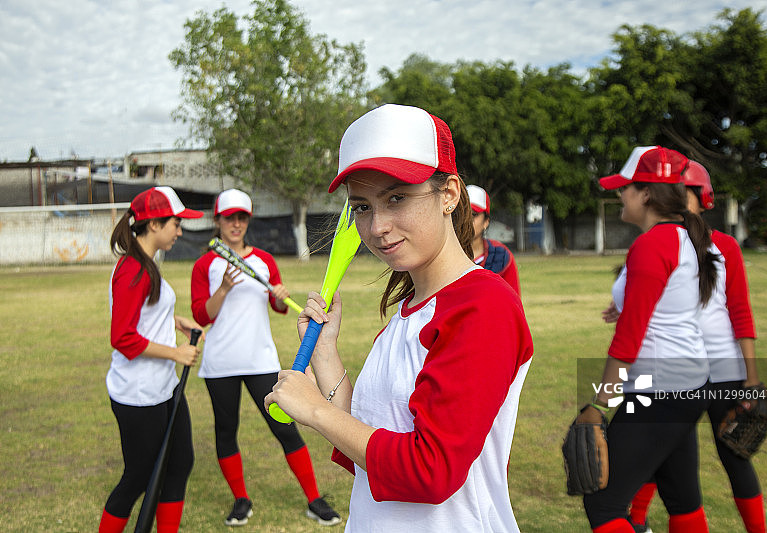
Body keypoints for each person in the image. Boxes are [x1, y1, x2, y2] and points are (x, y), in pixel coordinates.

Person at [264, 103, 534, 532]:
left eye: (396, 198)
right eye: (364, 207)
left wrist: (316, 410)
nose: (377, 227)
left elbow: (429, 471)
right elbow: (372, 449)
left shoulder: (483, 305)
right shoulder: (408, 311)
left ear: (448, 194)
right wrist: (326, 355)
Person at [579, 146, 719, 533]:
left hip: (663, 391)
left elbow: (629, 339)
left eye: (625, 188)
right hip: (687, 385)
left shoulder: (655, 243)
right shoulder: (684, 237)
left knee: (603, 504)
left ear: (646, 193)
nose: (619, 195)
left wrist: (599, 405)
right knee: (682, 499)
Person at [625, 161, 766, 533]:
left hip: (722, 370)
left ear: (702, 199)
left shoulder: (724, 246)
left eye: (684, 193)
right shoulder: (660, 241)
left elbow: (740, 310)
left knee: (735, 456)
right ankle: (637, 522)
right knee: (665, 455)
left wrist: (751, 378)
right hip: (680, 371)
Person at [190, 189, 341, 527]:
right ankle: (240, 500)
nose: (236, 224)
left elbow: (276, 306)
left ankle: (314, 499)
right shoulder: (206, 264)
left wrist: (280, 295)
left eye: (242, 217)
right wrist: (225, 289)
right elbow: (202, 315)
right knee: (226, 431)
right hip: (221, 365)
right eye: (229, 218)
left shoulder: (264, 261)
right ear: (217, 221)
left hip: (260, 361)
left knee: (285, 428)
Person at [99, 186, 205, 533]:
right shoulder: (133, 269)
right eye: (176, 223)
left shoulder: (146, 263)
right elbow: (123, 337)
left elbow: (144, 311)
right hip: (139, 393)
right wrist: (176, 352)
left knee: (179, 465)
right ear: (155, 224)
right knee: (138, 478)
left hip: (163, 386)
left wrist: (174, 320)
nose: (179, 230)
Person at [467, 184, 521, 295]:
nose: (467, 220)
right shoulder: (443, 255)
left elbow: (512, 304)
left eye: (473, 214)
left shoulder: (501, 256)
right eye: (463, 213)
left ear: (486, 221)